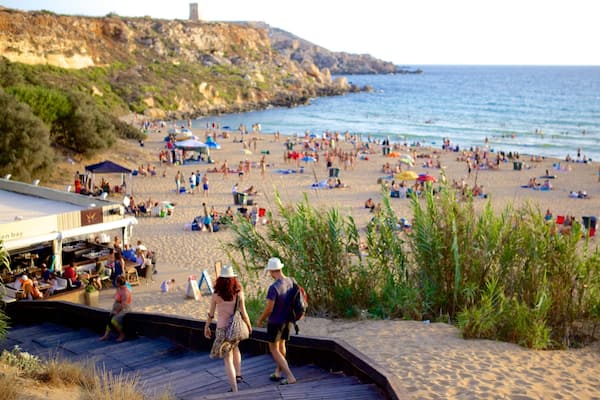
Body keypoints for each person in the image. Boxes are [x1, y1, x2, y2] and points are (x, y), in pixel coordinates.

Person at [204, 265, 252, 393]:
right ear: (233, 279)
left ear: (220, 280)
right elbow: (244, 313)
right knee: (235, 347)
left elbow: (211, 314)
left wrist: (207, 326)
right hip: (235, 329)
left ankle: (234, 389)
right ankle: (238, 374)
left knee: (227, 359)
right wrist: (249, 325)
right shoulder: (239, 294)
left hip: (222, 330)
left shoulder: (216, 295)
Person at [256, 257, 297, 385]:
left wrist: (260, 319)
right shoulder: (291, 281)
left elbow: (269, 308)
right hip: (287, 319)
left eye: (270, 272)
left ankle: (290, 377)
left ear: (273, 271)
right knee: (281, 345)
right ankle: (278, 372)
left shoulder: (274, 288)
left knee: (274, 349)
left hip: (275, 321)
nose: (270, 274)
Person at [100, 275, 132, 342]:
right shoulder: (119, 289)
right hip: (116, 308)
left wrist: (116, 311)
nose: (114, 282)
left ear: (118, 283)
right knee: (109, 318)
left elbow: (124, 304)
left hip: (124, 309)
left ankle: (122, 334)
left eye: (116, 281)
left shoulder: (125, 292)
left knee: (114, 320)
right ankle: (106, 335)